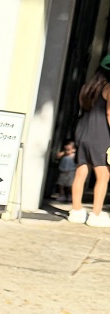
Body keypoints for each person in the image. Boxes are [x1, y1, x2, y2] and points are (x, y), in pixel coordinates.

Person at [68, 55, 110, 227]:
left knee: (81, 172)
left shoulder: (88, 87)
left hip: (83, 132)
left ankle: (76, 211)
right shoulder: (109, 87)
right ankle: (96, 215)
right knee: (103, 175)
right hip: (100, 135)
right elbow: (109, 113)